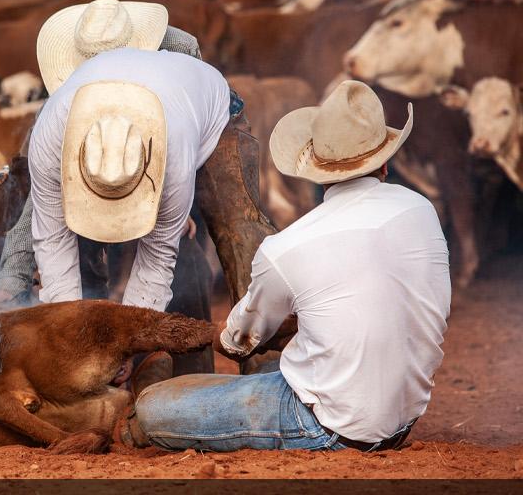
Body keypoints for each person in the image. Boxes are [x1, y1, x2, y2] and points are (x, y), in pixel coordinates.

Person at [125, 80, 449, 453]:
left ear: (313, 168)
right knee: (274, 368)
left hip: (326, 425)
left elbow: (238, 341)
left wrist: (203, 334)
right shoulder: (421, 210)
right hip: (402, 419)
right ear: (386, 164)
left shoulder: (286, 247)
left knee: (153, 409)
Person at [18, 0, 230, 311]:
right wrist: (68, 328)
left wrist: (129, 339)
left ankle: (251, 336)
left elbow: (158, 257)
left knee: (233, 224)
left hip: (212, 110)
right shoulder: (51, 136)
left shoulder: (174, 153)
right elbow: (52, 241)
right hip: (164, 111)